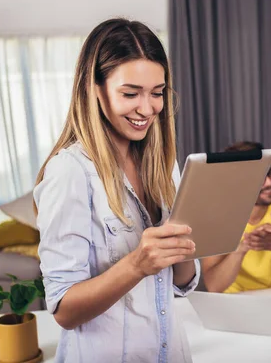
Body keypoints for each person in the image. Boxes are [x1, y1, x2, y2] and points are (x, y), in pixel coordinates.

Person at [34, 18, 200, 362]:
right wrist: (137, 264)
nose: (147, 108)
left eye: (157, 93)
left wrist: (186, 248)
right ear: (94, 89)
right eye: (130, 93)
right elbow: (65, 309)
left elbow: (179, 284)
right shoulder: (70, 171)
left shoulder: (162, 165)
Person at [201, 141, 271, 293]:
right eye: (259, 177)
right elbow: (214, 286)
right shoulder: (216, 217)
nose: (270, 181)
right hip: (234, 301)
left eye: (269, 172)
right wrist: (241, 249)